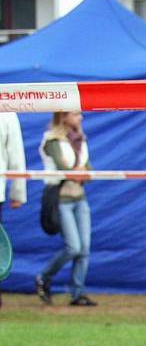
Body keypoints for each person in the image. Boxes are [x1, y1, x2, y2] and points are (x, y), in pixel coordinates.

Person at [36, 111, 96, 307]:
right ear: (63, 116)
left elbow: (88, 169)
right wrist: (78, 172)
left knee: (84, 249)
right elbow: (63, 167)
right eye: (75, 114)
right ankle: (44, 277)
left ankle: (77, 293)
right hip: (61, 199)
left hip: (80, 197)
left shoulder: (81, 139)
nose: (80, 118)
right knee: (73, 247)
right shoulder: (52, 140)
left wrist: (82, 173)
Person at [0, 112, 27, 310]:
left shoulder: (7, 110)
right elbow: (15, 153)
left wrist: (18, 191)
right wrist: (18, 193)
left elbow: (15, 153)